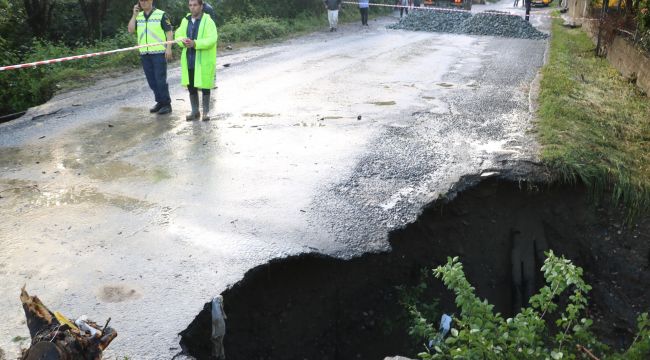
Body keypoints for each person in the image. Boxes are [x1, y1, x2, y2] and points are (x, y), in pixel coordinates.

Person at [128, 0, 173, 115]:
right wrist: (134, 15)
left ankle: (166, 104)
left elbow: (169, 32)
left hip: (158, 53)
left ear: (151, 1)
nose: (143, 2)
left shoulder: (161, 14)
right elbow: (131, 30)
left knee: (160, 79)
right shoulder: (139, 16)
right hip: (145, 53)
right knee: (151, 81)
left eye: (145, 0)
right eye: (141, 0)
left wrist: (168, 48)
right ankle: (159, 102)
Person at [175, 0, 218, 121]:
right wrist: (182, 41)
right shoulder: (185, 21)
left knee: (205, 86)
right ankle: (195, 111)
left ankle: (206, 112)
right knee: (191, 86)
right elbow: (178, 35)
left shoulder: (208, 21)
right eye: (190, 5)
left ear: (201, 6)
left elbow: (212, 39)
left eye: (195, 5)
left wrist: (195, 43)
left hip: (203, 61)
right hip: (189, 59)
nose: (192, 8)